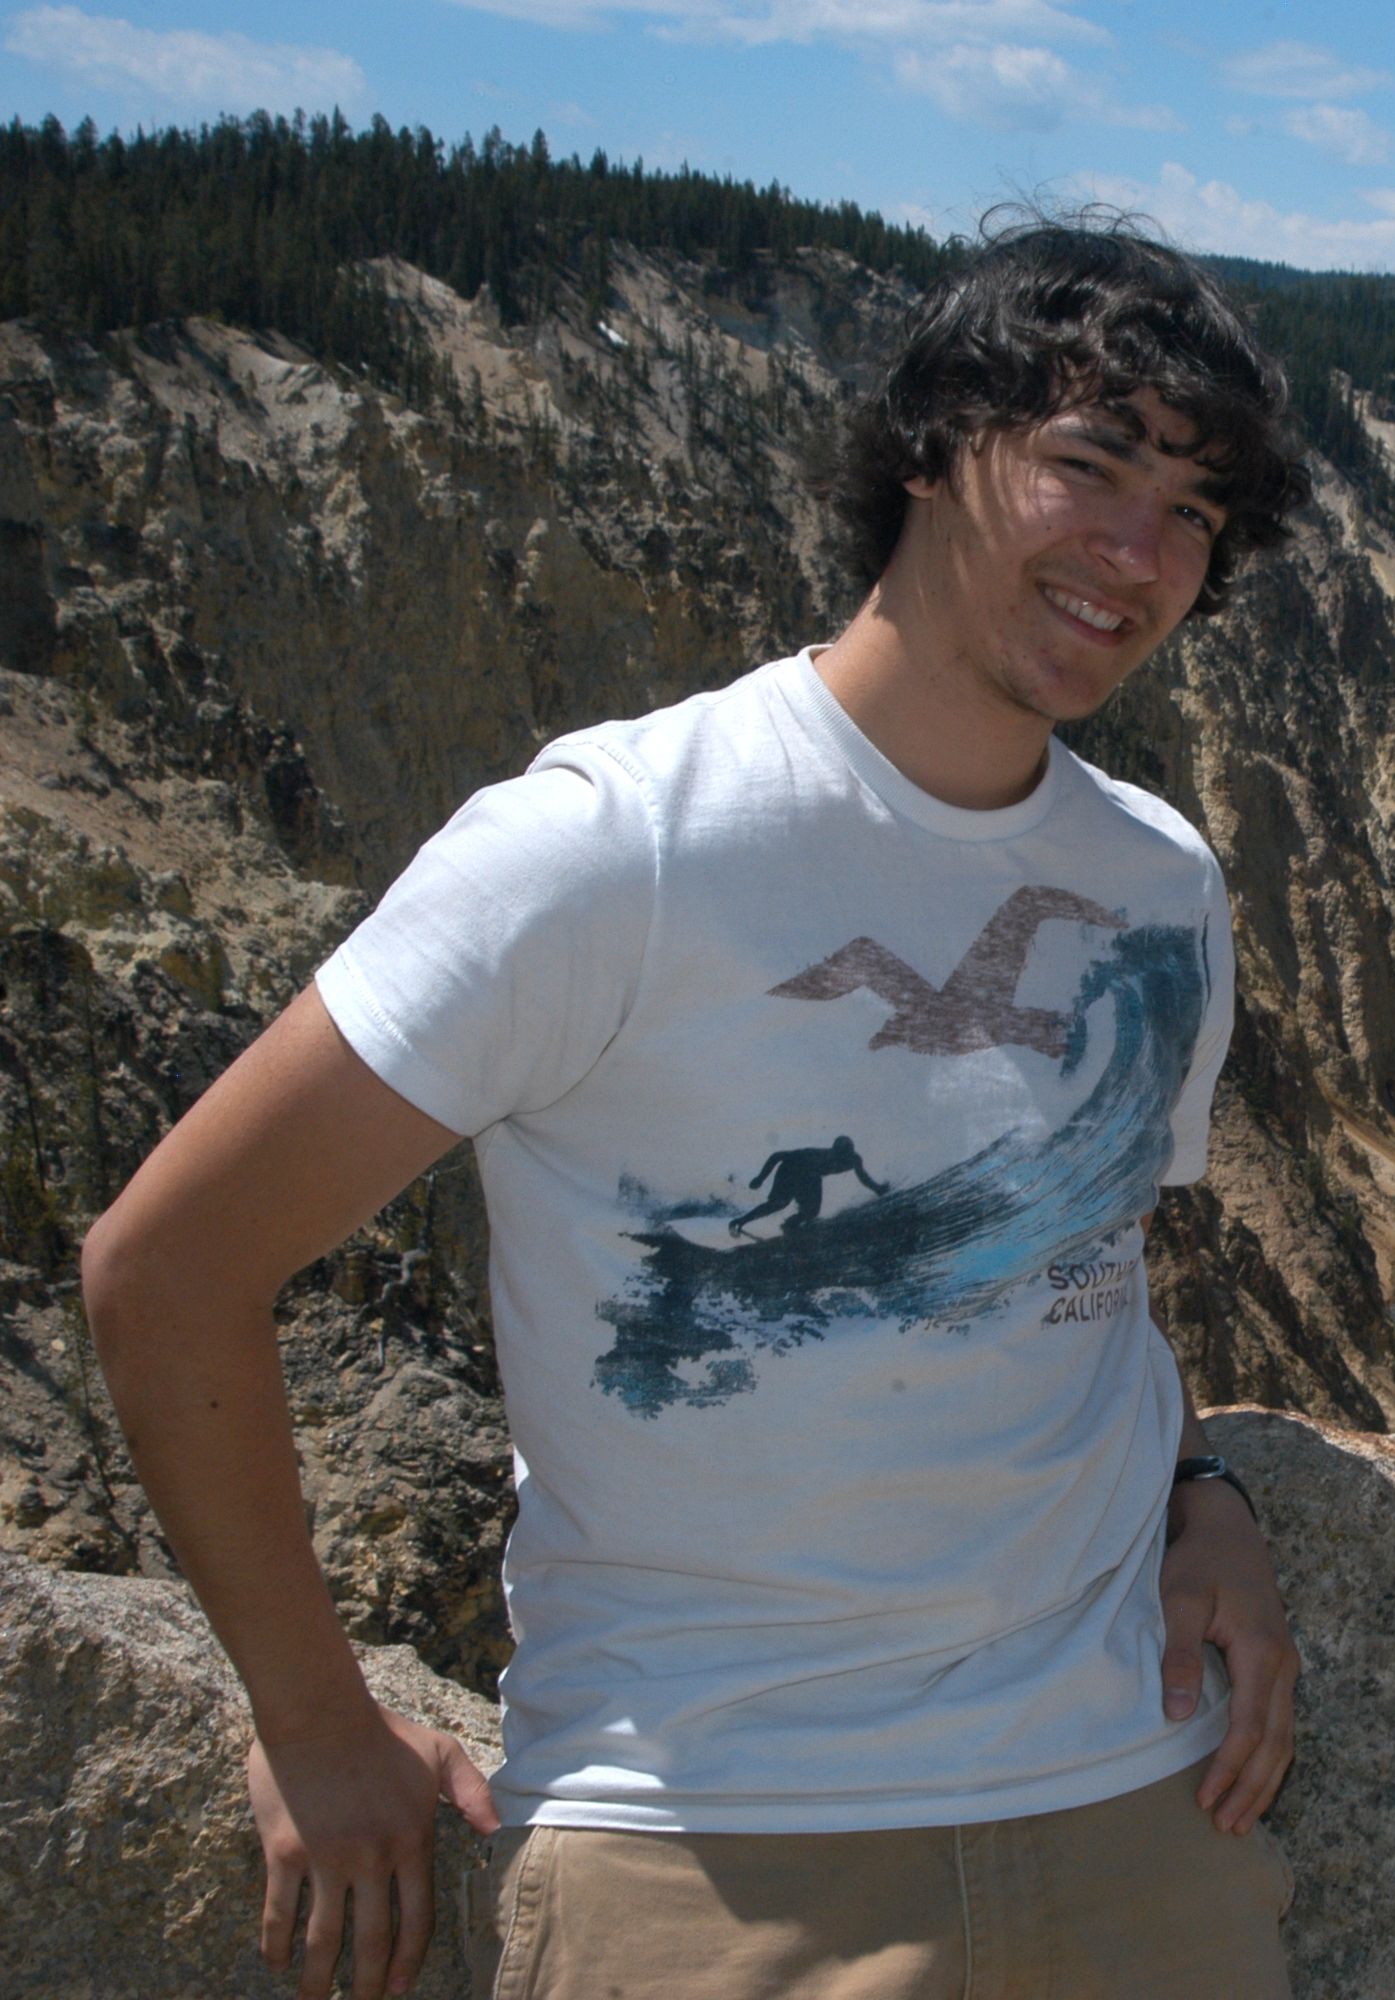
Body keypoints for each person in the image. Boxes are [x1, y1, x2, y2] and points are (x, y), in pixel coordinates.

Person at [83, 213, 1313, 2000]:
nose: (1139, 554)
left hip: (1138, 1806)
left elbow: (1087, 1259)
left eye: (1195, 512)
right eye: (1089, 463)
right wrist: (315, 1720)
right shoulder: (615, 847)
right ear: (929, 448)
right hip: (706, 1844)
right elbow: (166, 1267)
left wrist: (1206, 1493)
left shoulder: (1158, 883)